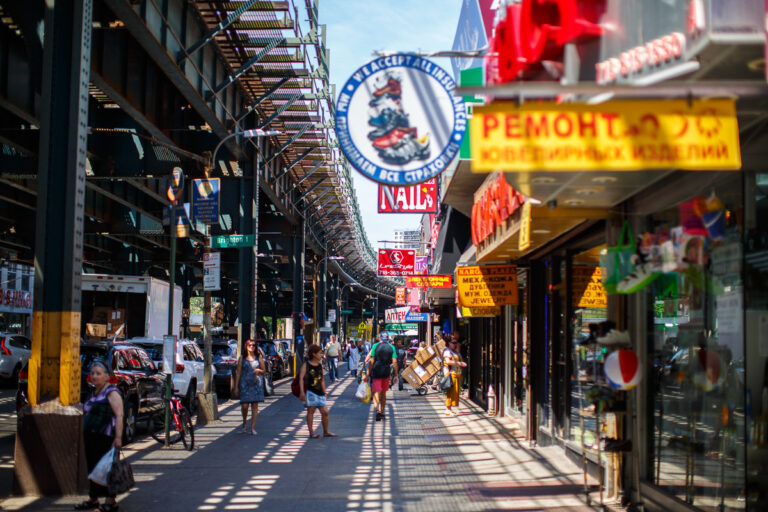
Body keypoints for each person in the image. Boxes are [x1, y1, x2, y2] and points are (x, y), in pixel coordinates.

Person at [76, 360, 124, 512]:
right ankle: (93, 498)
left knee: (106, 468)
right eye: (92, 373)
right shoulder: (94, 391)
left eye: (98, 373)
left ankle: (111, 500)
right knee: (93, 467)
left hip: (106, 437)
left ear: (107, 377)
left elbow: (119, 415)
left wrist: (118, 437)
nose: (94, 376)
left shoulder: (112, 392)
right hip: (91, 435)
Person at [298, 344, 336, 438]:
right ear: (314, 354)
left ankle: (326, 432)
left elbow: (322, 379)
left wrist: (325, 391)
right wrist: (302, 392)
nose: (321, 355)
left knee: (325, 412)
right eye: (319, 353)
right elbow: (301, 378)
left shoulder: (320, 366)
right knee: (311, 411)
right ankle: (311, 433)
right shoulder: (306, 365)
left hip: (320, 392)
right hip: (311, 392)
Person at [233, 339, 265, 435]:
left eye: (254, 345)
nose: (252, 346)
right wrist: (236, 387)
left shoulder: (258, 357)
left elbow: (264, 370)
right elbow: (238, 372)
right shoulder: (242, 358)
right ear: (246, 346)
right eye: (250, 345)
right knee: (245, 405)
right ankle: (244, 423)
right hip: (245, 384)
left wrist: (259, 370)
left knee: (255, 406)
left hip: (256, 384)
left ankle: (252, 428)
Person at [363, 334, 398, 421]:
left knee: (376, 393)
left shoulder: (375, 346)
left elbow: (372, 361)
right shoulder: (392, 347)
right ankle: (382, 412)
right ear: (388, 338)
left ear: (381, 338)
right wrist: (396, 374)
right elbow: (395, 362)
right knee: (384, 393)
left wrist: (367, 374)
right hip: (386, 372)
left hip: (376, 371)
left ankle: (377, 410)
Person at [443, 337, 467, 416]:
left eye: (456, 343)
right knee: (451, 392)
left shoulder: (455, 351)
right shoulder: (447, 351)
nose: (455, 344)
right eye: (453, 343)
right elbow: (448, 361)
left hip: (457, 373)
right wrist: (459, 363)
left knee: (455, 392)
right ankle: (447, 409)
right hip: (451, 374)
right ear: (449, 343)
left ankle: (450, 408)